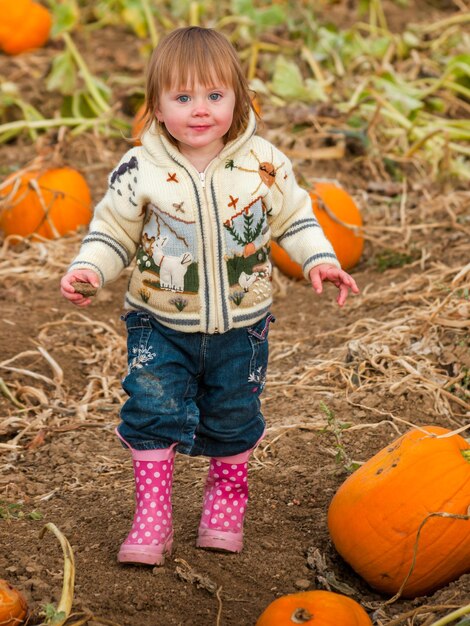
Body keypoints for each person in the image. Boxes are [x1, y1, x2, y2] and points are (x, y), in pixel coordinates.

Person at [60, 26, 359, 567]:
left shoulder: (263, 162)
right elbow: (113, 232)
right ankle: (153, 514)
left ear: (239, 99)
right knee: (150, 410)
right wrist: (89, 268)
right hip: (158, 324)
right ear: (155, 106)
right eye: (183, 97)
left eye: (215, 96)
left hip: (243, 325)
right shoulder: (140, 168)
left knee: (234, 414)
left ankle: (226, 499)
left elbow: (294, 215)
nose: (200, 111)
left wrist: (320, 259)